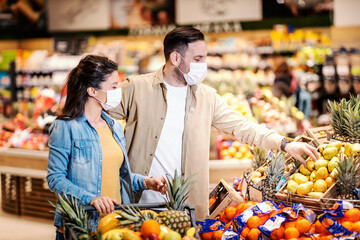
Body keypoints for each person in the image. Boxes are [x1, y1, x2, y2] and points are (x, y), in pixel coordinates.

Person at [108, 27, 319, 221]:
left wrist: (284, 143)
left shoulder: (207, 97)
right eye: (198, 58)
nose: (203, 65)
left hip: (187, 210)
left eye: (205, 58)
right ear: (175, 57)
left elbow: (243, 127)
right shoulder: (136, 88)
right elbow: (96, 112)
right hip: (138, 206)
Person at [46, 55, 166, 240]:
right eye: (114, 86)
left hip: (115, 225)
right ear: (92, 91)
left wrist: (146, 182)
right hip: (81, 227)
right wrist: (91, 199)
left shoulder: (115, 126)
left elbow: (118, 175)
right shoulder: (65, 127)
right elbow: (55, 179)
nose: (118, 91)